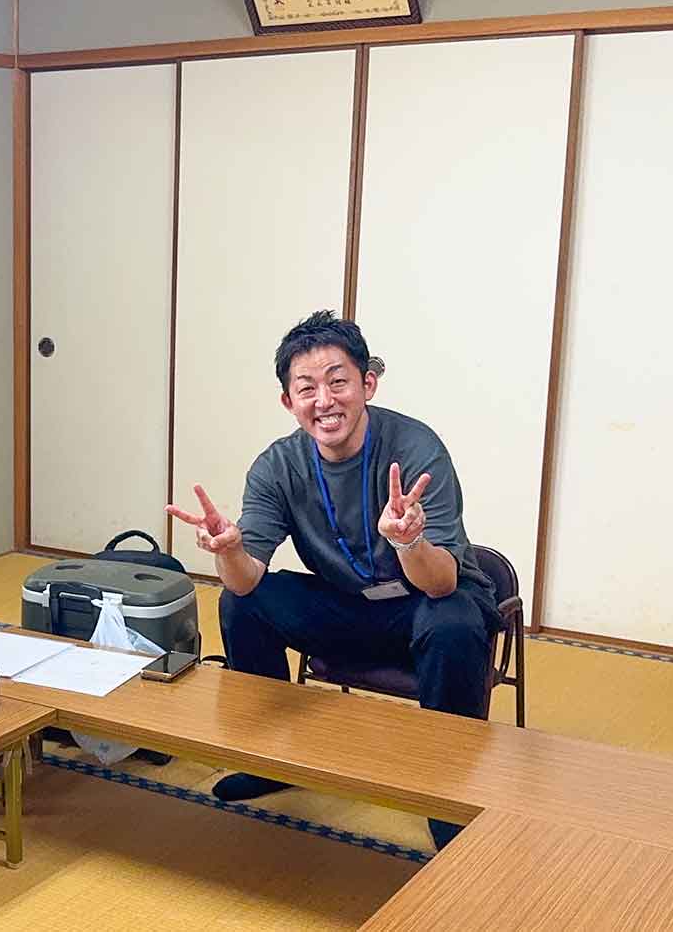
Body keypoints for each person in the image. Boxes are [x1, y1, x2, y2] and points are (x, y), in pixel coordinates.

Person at [165, 310, 497, 840]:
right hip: (349, 605)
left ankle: (449, 796)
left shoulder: (414, 449)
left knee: (452, 620)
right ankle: (267, 758)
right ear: (288, 401)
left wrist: (408, 540)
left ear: (368, 384)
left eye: (338, 382)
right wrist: (229, 551)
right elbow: (246, 580)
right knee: (242, 602)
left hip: (425, 604)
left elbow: (441, 584)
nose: (324, 400)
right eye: (307, 388)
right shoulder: (277, 466)